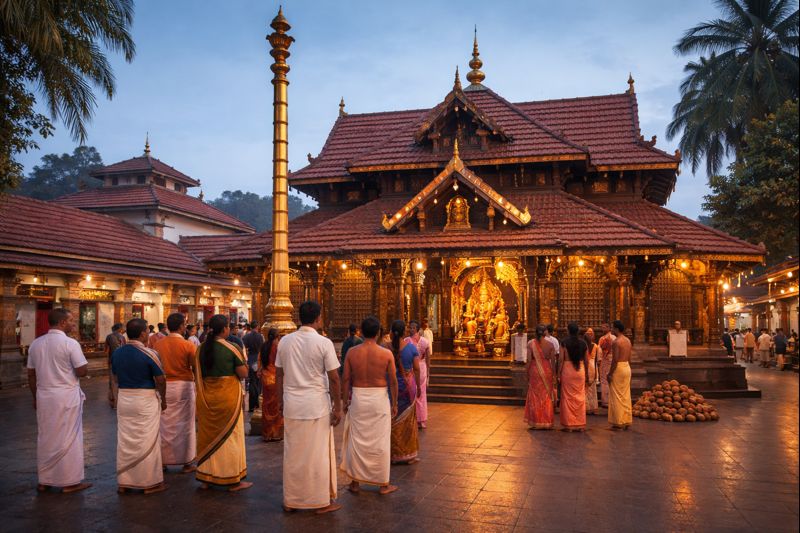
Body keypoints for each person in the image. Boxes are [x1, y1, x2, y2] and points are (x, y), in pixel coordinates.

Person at [276, 301, 342, 513]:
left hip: (292, 404)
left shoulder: (285, 342)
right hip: (316, 406)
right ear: (318, 318)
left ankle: (292, 500)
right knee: (317, 454)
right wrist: (338, 406)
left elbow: (278, 374)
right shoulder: (324, 343)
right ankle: (319, 501)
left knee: (293, 453)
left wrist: (279, 401)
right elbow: (334, 378)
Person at [26, 308, 91, 493]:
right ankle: (70, 481)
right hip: (65, 395)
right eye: (71, 320)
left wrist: (35, 397)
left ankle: (45, 480)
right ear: (62, 322)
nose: (73, 323)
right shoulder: (70, 343)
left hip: (44, 395)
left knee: (46, 436)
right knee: (69, 437)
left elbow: (31, 374)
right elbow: (82, 371)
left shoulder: (36, 344)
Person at [340, 316, 399, 495]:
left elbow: (346, 379)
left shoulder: (352, 352)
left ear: (361, 331)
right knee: (380, 441)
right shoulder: (386, 354)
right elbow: (394, 382)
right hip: (379, 399)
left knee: (357, 440)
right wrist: (394, 403)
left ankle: (355, 483)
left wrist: (344, 401)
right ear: (378, 332)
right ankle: (383, 484)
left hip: (358, 397)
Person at [194, 314, 251, 491]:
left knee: (208, 436)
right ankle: (232, 479)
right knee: (230, 437)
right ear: (225, 329)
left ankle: (206, 476)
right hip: (227, 398)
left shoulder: (201, 348)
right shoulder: (232, 348)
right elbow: (243, 373)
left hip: (207, 397)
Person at [112, 318, 167, 494]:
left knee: (126, 439)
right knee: (147, 439)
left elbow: (114, 377)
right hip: (144, 398)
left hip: (124, 397)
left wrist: (113, 395)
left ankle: (125, 481)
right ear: (143, 333)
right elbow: (160, 379)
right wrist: (163, 398)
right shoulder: (150, 353)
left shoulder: (118, 353)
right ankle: (148, 482)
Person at [153, 313, 197, 473]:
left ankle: (163, 461)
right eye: (185, 324)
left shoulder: (158, 345)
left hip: (163, 386)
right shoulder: (188, 345)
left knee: (163, 424)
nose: (185, 327)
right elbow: (195, 367)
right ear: (180, 327)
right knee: (185, 424)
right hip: (183, 385)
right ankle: (187, 462)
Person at [387, 319, 421, 464]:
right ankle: (407, 454)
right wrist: (419, 386)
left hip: (391, 388)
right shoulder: (412, 348)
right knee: (408, 421)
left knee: (392, 419)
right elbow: (417, 369)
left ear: (391, 332)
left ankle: (392, 454)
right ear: (404, 332)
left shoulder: (386, 348)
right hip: (408, 388)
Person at [523, 325, 556, 430]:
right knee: (546, 395)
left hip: (535, 370)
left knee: (535, 395)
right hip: (547, 370)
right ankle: (546, 421)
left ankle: (536, 421)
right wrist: (554, 375)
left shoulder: (530, 344)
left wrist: (526, 372)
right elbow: (553, 362)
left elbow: (528, 360)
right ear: (545, 332)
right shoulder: (550, 345)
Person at [559, 323, 587, 431]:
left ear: (568, 331)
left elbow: (561, 360)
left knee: (567, 397)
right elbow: (586, 360)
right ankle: (580, 424)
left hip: (568, 370)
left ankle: (569, 425)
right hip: (580, 370)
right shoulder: (583, 343)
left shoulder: (564, 343)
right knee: (580, 396)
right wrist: (588, 375)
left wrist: (558, 374)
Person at [258, 328, 284, 441]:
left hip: (266, 377)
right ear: (277, 337)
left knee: (266, 405)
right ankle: (276, 433)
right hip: (275, 378)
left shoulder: (264, 347)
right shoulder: (278, 348)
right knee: (277, 406)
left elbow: (261, 361)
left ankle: (267, 433)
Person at [405, 319, 431, 429]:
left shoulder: (407, 341)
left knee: (416, 393)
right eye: (409, 327)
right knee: (417, 393)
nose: (410, 329)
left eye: (413, 328)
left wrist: (428, 371)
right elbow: (428, 359)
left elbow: (428, 359)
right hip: (418, 367)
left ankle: (418, 419)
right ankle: (419, 419)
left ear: (417, 329)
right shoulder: (424, 341)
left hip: (416, 368)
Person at [607, 320, 632, 430]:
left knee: (617, 395)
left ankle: (619, 422)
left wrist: (610, 373)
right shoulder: (627, 340)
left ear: (617, 329)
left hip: (619, 368)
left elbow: (615, 360)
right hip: (626, 366)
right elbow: (629, 357)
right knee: (625, 395)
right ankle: (626, 420)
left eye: (612, 328)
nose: (611, 329)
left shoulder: (616, 342)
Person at [243, 321, 264, 412]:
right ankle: (258, 403)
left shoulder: (246, 336)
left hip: (250, 359)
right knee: (258, 382)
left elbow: (244, 349)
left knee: (252, 382)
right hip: (258, 359)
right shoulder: (261, 336)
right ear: (258, 326)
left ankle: (252, 405)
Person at [105, 322, 126, 408]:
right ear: (120, 329)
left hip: (112, 360)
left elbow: (106, 350)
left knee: (112, 381)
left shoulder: (109, 336)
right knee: (120, 381)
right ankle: (119, 402)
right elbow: (124, 349)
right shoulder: (122, 337)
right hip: (121, 360)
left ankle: (113, 401)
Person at [597, 324, 616, 407]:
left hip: (605, 360)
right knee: (611, 379)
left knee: (604, 380)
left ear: (609, 328)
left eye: (604, 327)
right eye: (602, 327)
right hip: (612, 360)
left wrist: (599, 360)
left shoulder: (603, 339)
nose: (602, 328)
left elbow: (600, 351)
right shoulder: (614, 338)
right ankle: (612, 400)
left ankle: (605, 401)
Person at [584, 328, 600, 415]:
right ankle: (593, 407)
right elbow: (597, 360)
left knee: (585, 387)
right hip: (592, 366)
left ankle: (586, 407)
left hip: (585, 366)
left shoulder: (583, 346)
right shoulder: (596, 346)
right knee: (592, 388)